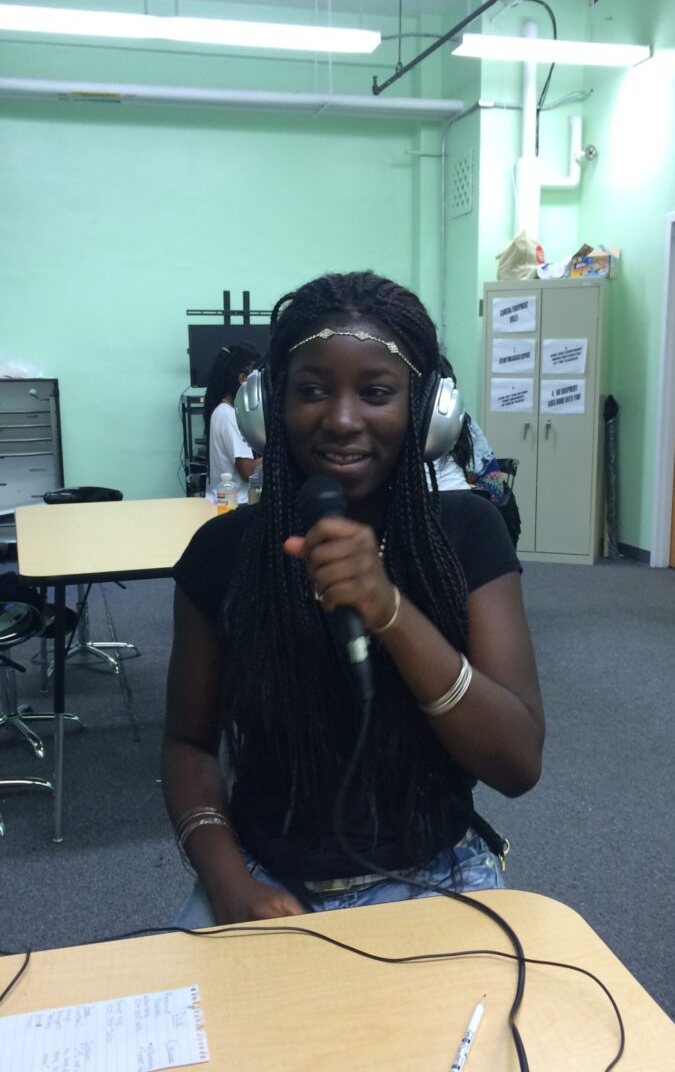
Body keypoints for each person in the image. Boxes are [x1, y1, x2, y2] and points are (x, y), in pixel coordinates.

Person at [163, 271, 544, 928]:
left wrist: (389, 608)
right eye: (310, 390)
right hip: (262, 880)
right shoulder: (222, 553)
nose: (341, 420)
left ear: (426, 411)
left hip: (438, 872)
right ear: (267, 405)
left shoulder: (467, 535)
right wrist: (226, 881)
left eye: (375, 392)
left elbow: (515, 763)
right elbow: (187, 745)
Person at [203, 343, 261, 503]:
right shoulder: (228, 415)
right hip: (235, 505)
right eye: (256, 378)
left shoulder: (224, 411)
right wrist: (280, 450)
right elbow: (248, 472)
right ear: (243, 378)